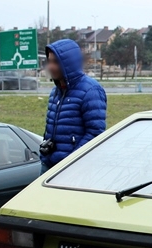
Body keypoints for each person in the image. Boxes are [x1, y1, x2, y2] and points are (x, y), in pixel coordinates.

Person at [41, 39, 106, 173]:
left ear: (69, 63)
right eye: (49, 61)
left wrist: (71, 161)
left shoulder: (91, 90)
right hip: (49, 164)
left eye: (55, 62)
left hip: (73, 169)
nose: (50, 66)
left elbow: (95, 133)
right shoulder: (56, 91)